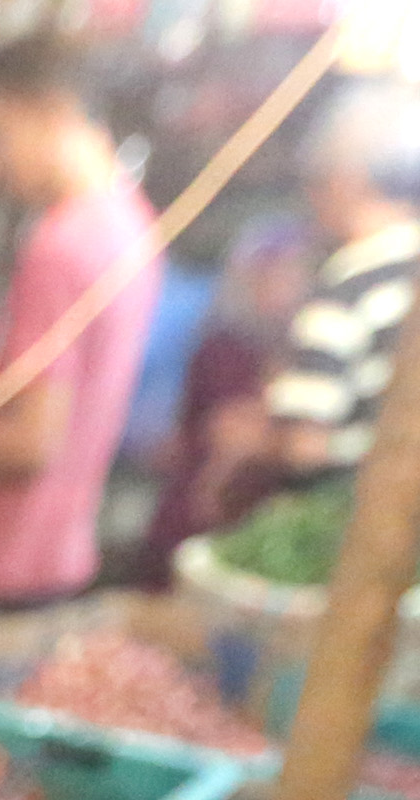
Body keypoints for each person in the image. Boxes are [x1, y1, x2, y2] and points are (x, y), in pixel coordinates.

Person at [0, 38, 163, 659]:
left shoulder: (61, 243)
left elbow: (29, 444)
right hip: (64, 566)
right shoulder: (134, 227)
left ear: (53, 113)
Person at [259, 84, 420, 486]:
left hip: (343, 512)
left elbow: (303, 447)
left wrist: (253, 442)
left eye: (315, 183)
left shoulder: (348, 283)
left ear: (347, 180)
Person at [134, 212, 313, 587]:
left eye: (288, 274)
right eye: (265, 274)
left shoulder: (305, 351)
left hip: (254, 532)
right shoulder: (223, 347)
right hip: (196, 525)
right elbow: (218, 435)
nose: (277, 286)